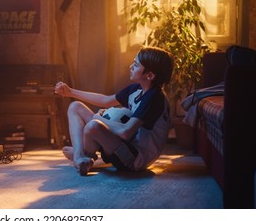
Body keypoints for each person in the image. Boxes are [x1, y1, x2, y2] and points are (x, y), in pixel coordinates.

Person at [54, 46, 173, 176]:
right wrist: (70, 92)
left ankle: (83, 153)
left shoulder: (154, 97)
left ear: (150, 75)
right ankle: (80, 155)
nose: (131, 66)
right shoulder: (137, 90)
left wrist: (98, 117)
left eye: (136, 65)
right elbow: (106, 100)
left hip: (134, 158)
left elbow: (126, 131)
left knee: (93, 126)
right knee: (75, 107)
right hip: (124, 144)